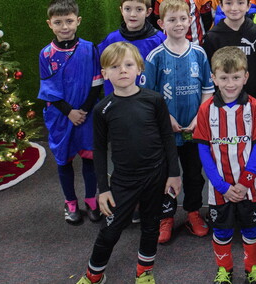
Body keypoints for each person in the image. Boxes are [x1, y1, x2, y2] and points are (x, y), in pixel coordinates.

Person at [74, 42, 180, 284]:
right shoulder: (102, 109)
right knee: (110, 231)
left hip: (156, 176)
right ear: (104, 73)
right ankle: (94, 276)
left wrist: (174, 173)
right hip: (123, 181)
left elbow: (167, 138)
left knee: (151, 226)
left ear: (139, 69)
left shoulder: (154, 100)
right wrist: (104, 189)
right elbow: (99, 150)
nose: (122, 70)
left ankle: (144, 273)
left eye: (128, 65)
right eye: (115, 66)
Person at [144, 0, 215, 243]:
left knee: (194, 173)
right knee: (166, 174)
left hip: (195, 128)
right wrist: (167, 118)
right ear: (161, 22)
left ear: (190, 21)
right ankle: (166, 216)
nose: (178, 24)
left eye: (183, 19)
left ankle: (193, 212)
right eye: (172, 20)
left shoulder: (199, 53)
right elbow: (150, 95)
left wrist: (199, 117)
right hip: (167, 130)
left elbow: (207, 88)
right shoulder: (155, 57)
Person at [196, 46, 256, 284]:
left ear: (245, 77)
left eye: (236, 77)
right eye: (224, 78)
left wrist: (246, 181)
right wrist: (221, 185)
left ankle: (252, 269)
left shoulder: (255, 106)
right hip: (220, 189)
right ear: (213, 78)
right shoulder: (206, 109)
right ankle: (224, 270)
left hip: (250, 187)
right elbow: (203, 149)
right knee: (222, 231)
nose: (230, 83)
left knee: (251, 229)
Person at [39, 0, 103, 225]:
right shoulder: (46, 54)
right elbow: (49, 90)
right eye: (58, 22)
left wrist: (84, 111)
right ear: (50, 24)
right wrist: (69, 112)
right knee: (63, 162)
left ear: (78, 21)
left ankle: (91, 200)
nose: (64, 27)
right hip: (60, 118)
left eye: (69, 21)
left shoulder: (89, 49)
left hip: (87, 115)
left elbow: (97, 83)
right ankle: (70, 202)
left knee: (90, 160)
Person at [203, 0, 256, 103]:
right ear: (221, 6)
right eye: (229, 3)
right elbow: (210, 74)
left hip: (254, 99)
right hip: (223, 100)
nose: (234, 8)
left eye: (240, 3)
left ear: (248, 5)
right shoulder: (212, 37)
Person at [97, 0, 166, 95]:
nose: (133, 14)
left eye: (139, 9)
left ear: (148, 12)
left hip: (150, 103)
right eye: (128, 9)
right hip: (117, 103)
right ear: (121, 10)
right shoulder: (111, 40)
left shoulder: (160, 40)